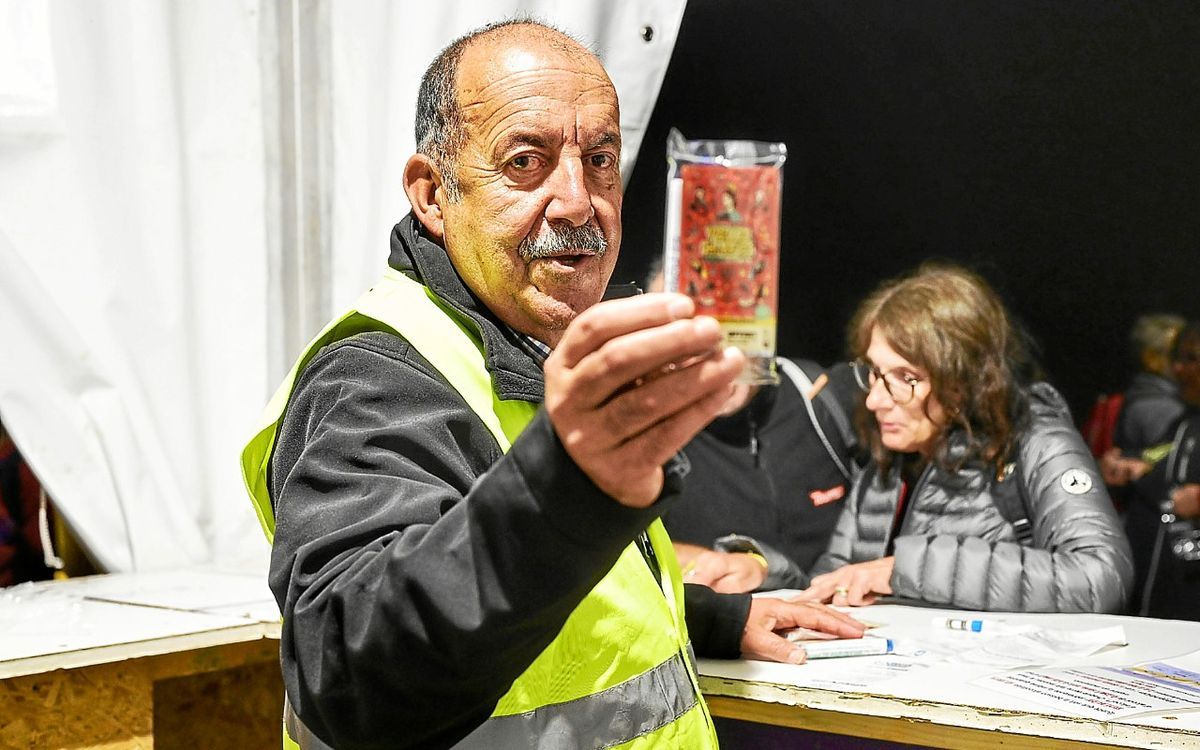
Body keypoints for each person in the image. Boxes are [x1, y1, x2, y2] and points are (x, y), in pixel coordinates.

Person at [240, 19, 863, 750]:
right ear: (433, 195)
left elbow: (561, 602)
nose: (579, 202)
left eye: (600, 159)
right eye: (527, 161)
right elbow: (353, 679)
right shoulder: (376, 378)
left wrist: (711, 618)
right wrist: (570, 484)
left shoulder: (532, 348)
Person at [802, 263, 1133, 612]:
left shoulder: (1035, 442)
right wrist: (763, 569)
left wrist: (909, 569)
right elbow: (835, 582)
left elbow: (1101, 577)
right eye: (875, 372)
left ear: (964, 378)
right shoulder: (888, 461)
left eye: (906, 377)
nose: (875, 400)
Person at [1126, 320, 1200, 618]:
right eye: (1177, 359)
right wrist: (1129, 464)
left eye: (1191, 359)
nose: (1178, 370)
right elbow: (1159, 461)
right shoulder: (1184, 420)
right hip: (1165, 592)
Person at [1098, 314, 1185, 490]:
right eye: (1179, 353)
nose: (1184, 363)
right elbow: (1180, 469)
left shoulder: (1138, 397)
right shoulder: (1158, 408)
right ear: (1151, 358)